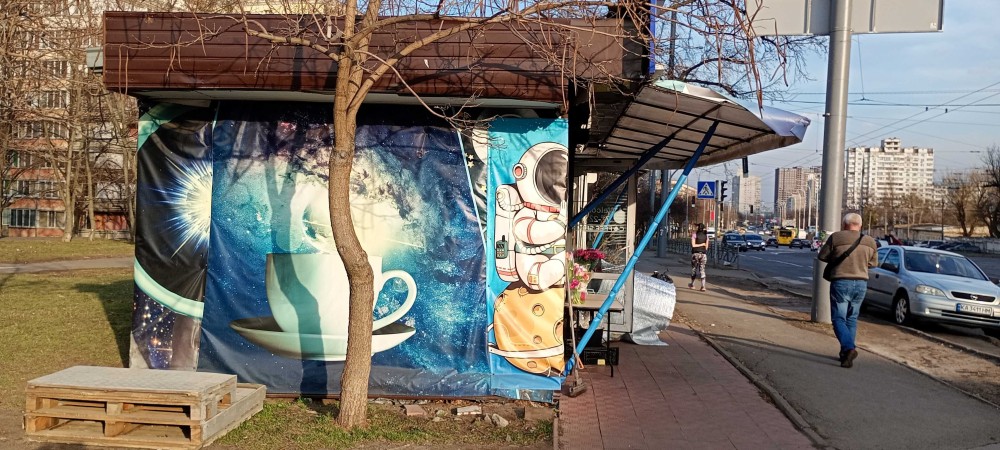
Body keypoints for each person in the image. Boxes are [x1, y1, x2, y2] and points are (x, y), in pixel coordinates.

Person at [817, 212, 878, 368]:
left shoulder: (836, 237)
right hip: (861, 283)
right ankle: (845, 355)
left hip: (841, 282)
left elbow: (822, 256)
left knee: (838, 319)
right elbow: (873, 264)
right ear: (860, 225)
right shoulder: (870, 241)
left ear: (844, 224)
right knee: (852, 319)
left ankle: (849, 348)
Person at [689, 223, 709, 291]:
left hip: (695, 254)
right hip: (703, 254)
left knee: (694, 269)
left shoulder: (694, 235)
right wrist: (703, 245)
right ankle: (703, 286)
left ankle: (692, 284)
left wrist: (700, 244)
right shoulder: (706, 236)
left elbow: (693, 245)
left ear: (698, 228)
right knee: (702, 270)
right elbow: (706, 247)